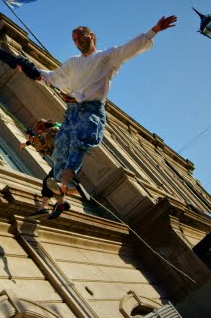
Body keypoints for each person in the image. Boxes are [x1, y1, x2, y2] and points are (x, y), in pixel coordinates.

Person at [18, 15, 177, 218]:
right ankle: (61, 198)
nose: (77, 42)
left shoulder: (106, 57)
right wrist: (29, 70)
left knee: (78, 142)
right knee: (60, 150)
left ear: (91, 36)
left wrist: (154, 30)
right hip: (72, 112)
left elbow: (128, 49)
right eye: (74, 40)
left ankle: (63, 183)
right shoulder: (73, 63)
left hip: (91, 109)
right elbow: (51, 77)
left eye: (80, 37)